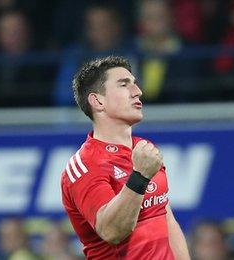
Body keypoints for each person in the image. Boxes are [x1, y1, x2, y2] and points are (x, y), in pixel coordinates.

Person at [60, 56, 190, 259]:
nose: (138, 91)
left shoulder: (143, 149)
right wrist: (140, 177)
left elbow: (166, 219)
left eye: (135, 83)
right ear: (98, 101)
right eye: (124, 84)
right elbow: (112, 231)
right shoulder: (85, 165)